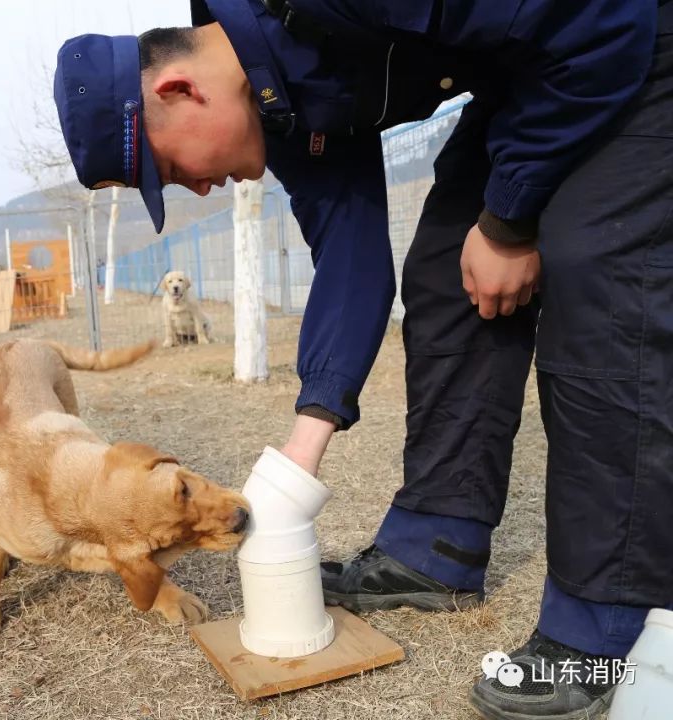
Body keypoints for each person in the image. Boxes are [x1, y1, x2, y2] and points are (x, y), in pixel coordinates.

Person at [52, 1, 673, 718]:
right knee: (445, 277)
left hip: (621, 37)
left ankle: (607, 619)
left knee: (600, 278)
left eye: (169, 168)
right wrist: (300, 450)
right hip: (533, 74)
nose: (194, 187)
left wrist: (510, 218)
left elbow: (600, 19)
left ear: (178, 90)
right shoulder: (281, 102)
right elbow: (353, 260)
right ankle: (437, 545)